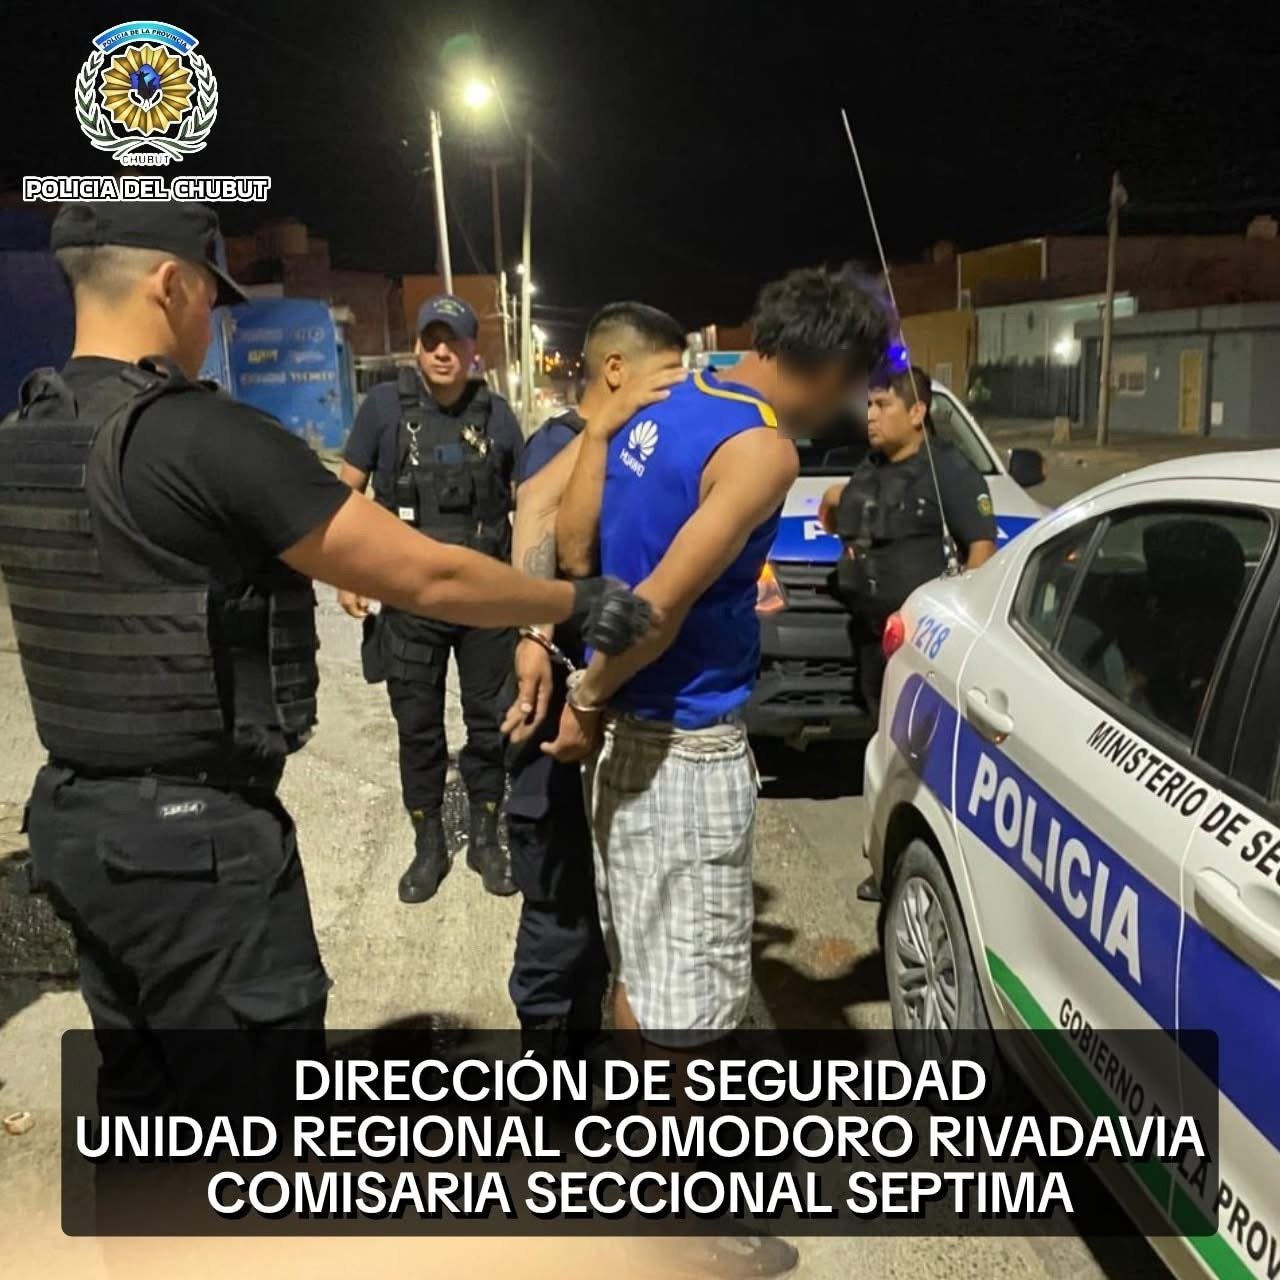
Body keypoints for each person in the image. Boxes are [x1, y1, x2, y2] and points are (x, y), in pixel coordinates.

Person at [0, 202, 652, 1116]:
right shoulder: (203, 437)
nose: (209, 322)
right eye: (209, 299)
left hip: (73, 829)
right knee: (250, 1130)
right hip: (194, 850)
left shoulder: (23, 438)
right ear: (171, 283)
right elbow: (425, 574)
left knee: (145, 1106)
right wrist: (571, 604)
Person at [523, 266, 891, 1280]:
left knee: (643, 975)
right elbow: (655, 607)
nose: (848, 407)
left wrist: (591, 696)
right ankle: (680, 1234)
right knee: (694, 1015)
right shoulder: (762, 447)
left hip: (626, 743)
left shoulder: (669, 395)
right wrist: (587, 698)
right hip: (682, 748)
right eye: (853, 384)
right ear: (826, 367)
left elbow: (573, 546)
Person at [501, 302, 687, 1063]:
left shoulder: (642, 444)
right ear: (615, 370)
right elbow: (536, 526)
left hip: (620, 709)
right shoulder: (563, 444)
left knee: (618, 904)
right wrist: (535, 638)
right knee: (562, 903)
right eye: (663, 374)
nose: (674, 388)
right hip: (559, 708)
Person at [338, 295, 524, 903]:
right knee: (417, 730)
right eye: (431, 340)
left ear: (474, 350)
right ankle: (429, 845)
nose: (442, 352)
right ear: (418, 347)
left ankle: (487, 839)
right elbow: (347, 492)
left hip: (484, 602)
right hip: (410, 602)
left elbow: (529, 504)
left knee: (491, 725)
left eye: (454, 341)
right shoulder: (383, 408)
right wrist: (348, 571)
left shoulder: (498, 416)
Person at [818, 362, 997, 901]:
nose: (870, 416)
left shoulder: (949, 473)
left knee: (922, 763)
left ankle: (920, 871)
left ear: (917, 412)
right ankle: (885, 858)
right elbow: (837, 515)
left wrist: (958, 627)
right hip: (873, 638)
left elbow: (981, 551)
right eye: (868, 405)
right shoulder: (869, 468)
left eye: (882, 405)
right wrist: (836, 501)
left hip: (924, 647)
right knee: (886, 752)